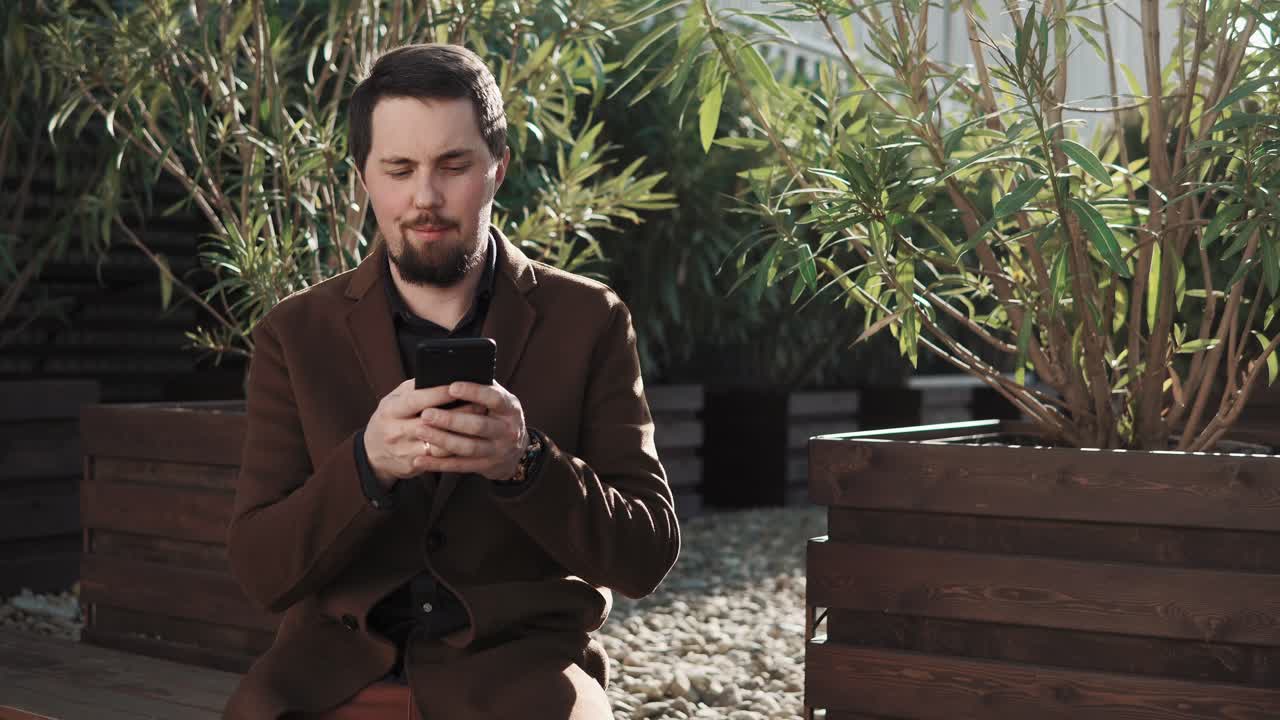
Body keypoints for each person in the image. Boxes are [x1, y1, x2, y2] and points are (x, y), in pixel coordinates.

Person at [223, 43, 680, 720]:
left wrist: (525, 464)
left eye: (453, 165)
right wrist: (366, 464)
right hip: (328, 670)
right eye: (399, 169)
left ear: (498, 168)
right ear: (364, 178)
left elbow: (646, 551)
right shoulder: (295, 335)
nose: (425, 197)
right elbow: (262, 570)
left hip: (523, 670)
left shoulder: (590, 320)